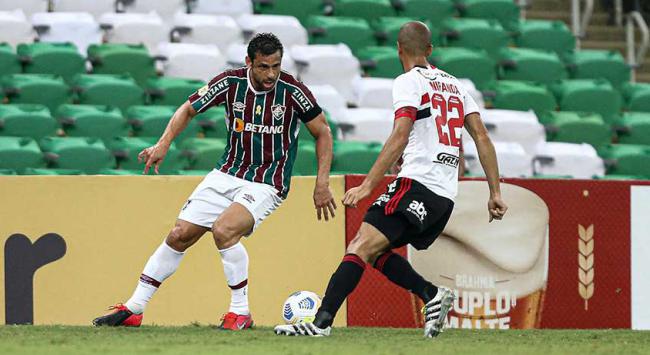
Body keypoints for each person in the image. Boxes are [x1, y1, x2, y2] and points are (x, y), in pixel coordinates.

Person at [274, 21, 507, 338]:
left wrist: (368, 184)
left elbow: (401, 133)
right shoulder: (457, 86)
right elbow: (481, 136)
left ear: (399, 50)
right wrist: (495, 192)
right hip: (444, 196)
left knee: (359, 245)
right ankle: (430, 294)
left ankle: (320, 324)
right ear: (430, 50)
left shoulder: (408, 82)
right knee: (374, 250)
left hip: (417, 183)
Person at [92, 33, 337, 330]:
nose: (271, 74)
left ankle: (240, 312)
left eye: (275, 66)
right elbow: (188, 108)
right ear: (249, 62)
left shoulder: (293, 91)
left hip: (267, 181)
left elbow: (322, 131)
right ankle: (134, 308)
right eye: (263, 67)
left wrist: (321, 183)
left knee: (224, 230)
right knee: (179, 234)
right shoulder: (229, 83)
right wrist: (163, 144)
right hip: (226, 173)